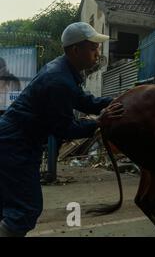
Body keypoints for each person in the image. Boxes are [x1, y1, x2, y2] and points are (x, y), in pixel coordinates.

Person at [0, 22, 124, 237]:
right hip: (16, 145)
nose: (97, 53)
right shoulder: (59, 80)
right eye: (93, 48)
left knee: (7, 206)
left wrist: (119, 100)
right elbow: (65, 130)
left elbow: (84, 101)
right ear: (76, 50)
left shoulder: (63, 70)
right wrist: (99, 122)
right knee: (26, 209)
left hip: (11, 139)